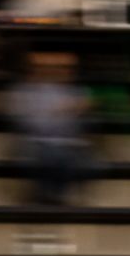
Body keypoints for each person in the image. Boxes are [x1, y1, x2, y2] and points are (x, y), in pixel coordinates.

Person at [9, 51, 95, 206]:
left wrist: (77, 112)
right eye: (49, 67)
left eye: (64, 68)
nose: (57, 72)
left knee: (80, 158)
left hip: (72, 145)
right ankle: (48, 197)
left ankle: (55, 196)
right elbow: (33, 125)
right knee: (54, 154)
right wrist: (62, 111)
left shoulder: (78, 92)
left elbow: (81, 128)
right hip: (37, 144)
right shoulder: (23, 92)